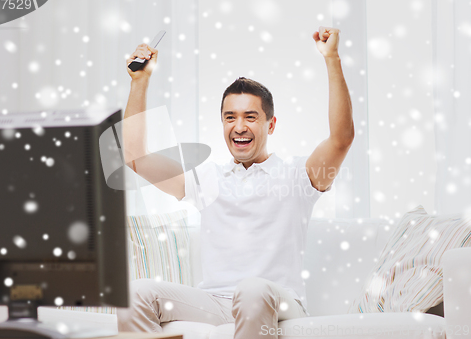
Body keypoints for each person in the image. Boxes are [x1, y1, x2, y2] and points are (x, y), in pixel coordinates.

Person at [118, 26, 354, 339]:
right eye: (230, 117)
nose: (239, 126)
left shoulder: (299, 176)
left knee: (252, 289)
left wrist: (332, 59)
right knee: (137, 293)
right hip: (217, 304)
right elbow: (136, 158)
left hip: (279, 303)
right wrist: (140, 81)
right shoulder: (207, 179)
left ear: (270, 124)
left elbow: (341, 139)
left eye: (250, 117)